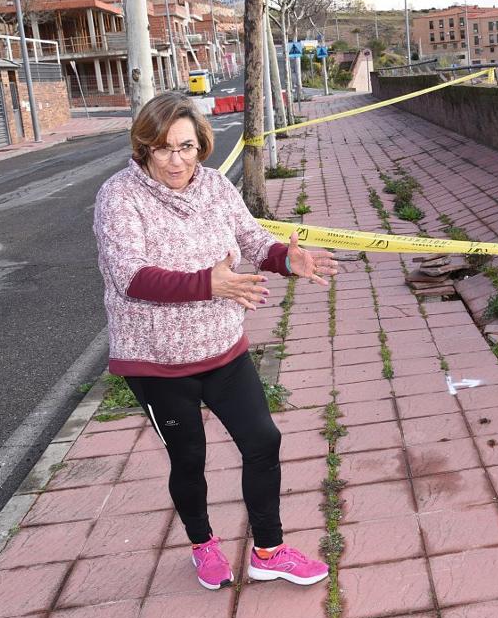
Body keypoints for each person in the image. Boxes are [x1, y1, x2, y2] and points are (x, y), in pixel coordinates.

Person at [93, 91, 338, 590]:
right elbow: (129, 276)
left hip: (223, 346)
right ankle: (202, 544)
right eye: (163, 148)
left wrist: (285, 259)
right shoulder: (119, 196)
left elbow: (250, 239)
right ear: (144, 147)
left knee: (263, 440)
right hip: (157, 359)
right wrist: (209, 283)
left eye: (186, 147)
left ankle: (268, 551)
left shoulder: (215, 186)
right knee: (189, 457)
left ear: (201, 145)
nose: (176, 160)